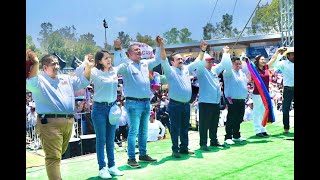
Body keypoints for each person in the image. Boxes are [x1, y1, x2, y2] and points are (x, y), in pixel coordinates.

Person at [26, 49, 90, 180]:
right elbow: (30, 81)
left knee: (58, 154)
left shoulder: (66, 78)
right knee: (53, 157)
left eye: (57, 63)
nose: (57, 66)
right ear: (44, 67)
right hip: (49, 124)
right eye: (53, 64)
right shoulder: (39, 81)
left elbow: (84, 82)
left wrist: (88, 67)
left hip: (68, 122)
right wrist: (36, 62)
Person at [113, 36, 166, 168]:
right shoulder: (126, 66)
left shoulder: (145, 64)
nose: (139, 51)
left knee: (143, 130)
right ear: (129, 54)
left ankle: (143, 154)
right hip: (133, 103)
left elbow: (158, 59)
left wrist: (159, 46)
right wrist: (117, 49)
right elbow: (116, 68)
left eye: (140, 50)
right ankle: (131, 158)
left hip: (146, 102)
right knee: (134, 131)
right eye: (136, 50)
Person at [76, 51, 125, 178]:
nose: (109, 60)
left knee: (110, 139)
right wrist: (86, 62)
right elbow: (78, 73)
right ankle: (102, 168)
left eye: (110, 58)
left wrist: (120, 50)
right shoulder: (94, 72)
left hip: (112, 108)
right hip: (99, 109)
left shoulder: (114, 70)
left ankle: (112, 166)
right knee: (101, 140)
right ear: (99, 61)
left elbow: (125, 63)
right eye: (106, 58)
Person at [160, 40, 207, 158]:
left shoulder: (186, 69)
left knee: (185, 128)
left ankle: (184, 148)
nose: (181, 60)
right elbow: (163, 58)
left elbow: (198, 61)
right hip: (175, 104)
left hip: (186, 104)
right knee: (175, 129)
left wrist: (203, 50)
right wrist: (161, 46)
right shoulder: (169, 70)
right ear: (172, 62)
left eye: (181, 59)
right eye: (178, 59)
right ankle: (175, 150)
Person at [192, 45, 232, 150]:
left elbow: (223, 64)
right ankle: (203, 143)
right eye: (208, 61)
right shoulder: (201, 71)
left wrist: (226, 52)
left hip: (215, 102)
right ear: (203, 62)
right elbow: (199, 62)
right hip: (205, 102)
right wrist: (203, 51)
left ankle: (214, 140)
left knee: (214, 123)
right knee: (204, 124)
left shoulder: (214, 70)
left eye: (211, 61)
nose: (210, 63)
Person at [251, 47, 286, 137]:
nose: (264, 61)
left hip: (265, 94)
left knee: (264, 112)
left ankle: (263, 129)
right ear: (257, 61)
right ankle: (257, 130)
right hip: (257, 94)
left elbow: (273, 59)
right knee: (257, 112)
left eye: (264, 59)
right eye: (262, 59)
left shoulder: (266, 67)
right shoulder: (254, 69)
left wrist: (278, 51)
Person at [223, 55, 250, 145]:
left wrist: (246, 62)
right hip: (232, 99)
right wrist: (226, 55)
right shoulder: (228, 72)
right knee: (231, 118)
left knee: (239, 118)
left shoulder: (241, 73)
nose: (238, 65)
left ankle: (236, 135)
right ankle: (228, 136)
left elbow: (248, 80)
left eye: (239, 64)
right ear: (232, 64)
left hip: (241, 99)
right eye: (236, 64)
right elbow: (228, 67)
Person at [273, 47, 294, 134]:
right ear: (288, 55)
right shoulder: (283, 63)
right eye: (292, 54)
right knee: (285, 109)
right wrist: (279, 53)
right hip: (288, 89)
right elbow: (274, 64)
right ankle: (286, 128)